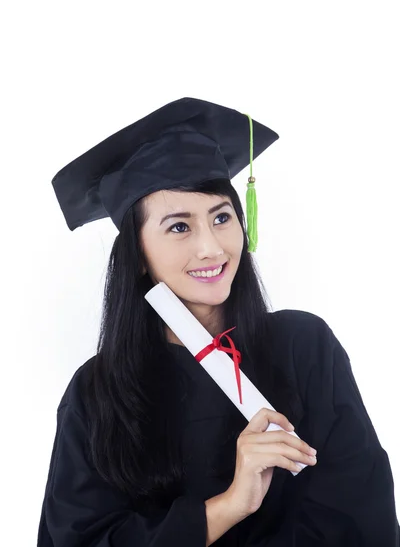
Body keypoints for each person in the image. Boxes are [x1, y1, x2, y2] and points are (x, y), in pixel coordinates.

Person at [37, 97, 399, 546]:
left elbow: (361, 518)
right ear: (139, 255)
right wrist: (228, 506)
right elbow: (82, 538)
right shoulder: (96, 394)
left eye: (222, 217)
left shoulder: (304, 347)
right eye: (179, 227)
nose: (211, 247)